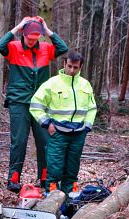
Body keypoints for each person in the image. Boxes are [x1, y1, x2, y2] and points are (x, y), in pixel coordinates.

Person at [0, 16, 68, 193]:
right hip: (19, 102)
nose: (32, 41)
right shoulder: (13, 48)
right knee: (19, 141)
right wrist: (18, 26)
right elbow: (0, 45)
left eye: (35, 38)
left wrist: (46, 29)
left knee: (44, 141)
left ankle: (44, 178)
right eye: (29, 38)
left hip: (40, 103)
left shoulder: (45, 49)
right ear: (23, 34)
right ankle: (13, 178)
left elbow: (63, 48)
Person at [29, 51, 97, 195]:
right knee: (54, 168)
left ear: (80, 67)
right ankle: (51, 197)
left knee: (72, 169)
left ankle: (71, 197)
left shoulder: (85, 85)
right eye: (69, 66)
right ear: (64, 64)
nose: (71, 70)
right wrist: (47, 124)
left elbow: (92, 108)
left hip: (78, 133)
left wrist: (87, 126)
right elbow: (35, 105)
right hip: (58, 133)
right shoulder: (52, 83)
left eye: (75, 67)